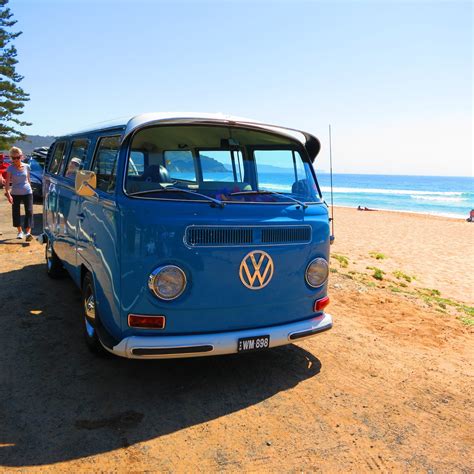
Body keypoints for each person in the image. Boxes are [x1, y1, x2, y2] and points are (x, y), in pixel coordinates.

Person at [4, 147, 34, 241]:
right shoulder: (10, 168)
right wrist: (8, 194)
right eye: (13, 158)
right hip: (15, 193)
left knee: (29, 211)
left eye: (18, 157)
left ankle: (28, 233)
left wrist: (31, 189)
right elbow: (7, 183)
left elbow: (28, 179)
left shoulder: (27, 166)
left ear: (21, 156)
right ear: (11, 158)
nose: (16, 160)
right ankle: (20, 231)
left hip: (27, 192)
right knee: (16, 212)